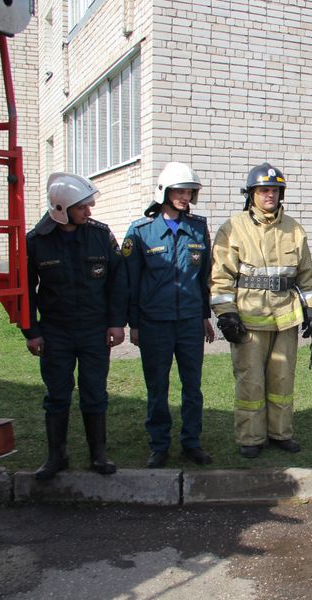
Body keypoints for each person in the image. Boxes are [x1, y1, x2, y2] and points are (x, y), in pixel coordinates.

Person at [210, 163, 312, 458]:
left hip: (285, 319)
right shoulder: (233, 228)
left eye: (274, 190)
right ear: (251, 194)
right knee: (251, 381)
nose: (270, 195)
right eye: (264, 190)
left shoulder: (294, 229)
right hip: (249, 320)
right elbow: (221, 276)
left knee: (282, 380)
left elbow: (306, 274)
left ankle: (280, 433)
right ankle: (251, 437)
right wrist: (226, 313)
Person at [23, 172, 128, 480]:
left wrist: (116, 323)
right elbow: (26, 290)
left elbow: (118, 281)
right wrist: (32, 332)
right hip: (55, 332)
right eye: (82, 207)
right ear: (61, 209)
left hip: (95, 330)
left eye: (89, 205)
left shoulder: (100, 235)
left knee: (94, 392)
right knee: (57, 394)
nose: (88, 211)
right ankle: (57, 456)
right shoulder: (36, 241)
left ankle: (98, 454)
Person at [123, 162, 215, 468]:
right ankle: (159, 444)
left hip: (189, 322)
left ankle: (192, 442)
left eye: (189, 192)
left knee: (193, 387)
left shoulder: (198, 228)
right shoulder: (141, 232)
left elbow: (203, 278)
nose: (185, 197)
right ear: (164, 192)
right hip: (154, 323)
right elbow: (131, 282)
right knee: (157, 387)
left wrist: (204, 316)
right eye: (179, 191)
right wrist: (134, 323)